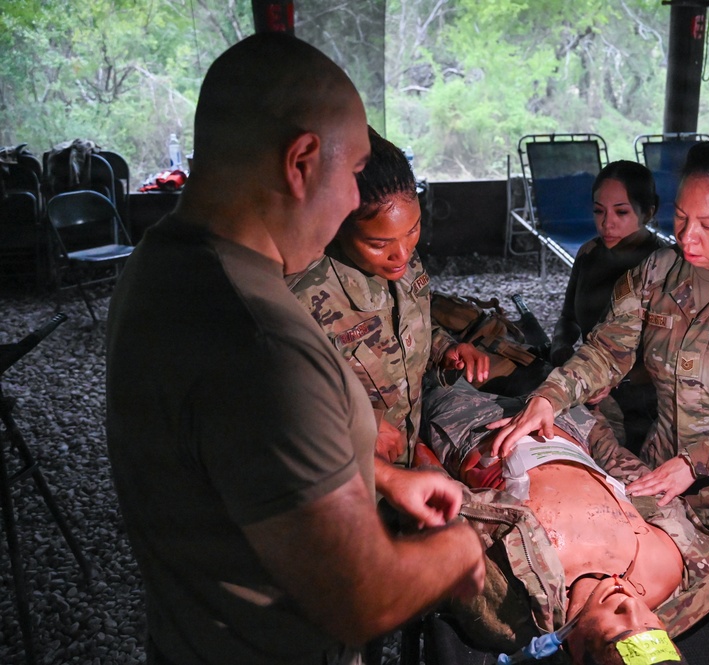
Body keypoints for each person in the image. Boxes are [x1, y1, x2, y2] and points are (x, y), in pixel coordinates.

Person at [105, 34, 484, 665]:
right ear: (301, 161)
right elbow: (359, 598)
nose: (355, 200)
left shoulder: (162, 264)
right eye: (355, 173)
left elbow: (249, 460)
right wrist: (459, 550)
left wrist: (386, 479)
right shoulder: (261, 340)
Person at [488, 132, 709, 664]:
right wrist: (550, 397)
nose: (687, 237)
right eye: (680, 217)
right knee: (647, 632)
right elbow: (606, 351)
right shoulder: (657, 273)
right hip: (665, 492)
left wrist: (698, 460)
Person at [419, 378, 709, 664]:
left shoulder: (510, 604)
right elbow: (638, 484)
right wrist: (593, 427)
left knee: (443, 372)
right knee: (532, 365)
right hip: (568, 422)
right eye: (651, 624)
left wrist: (414, 446)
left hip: (475, 428)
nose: (630, 605)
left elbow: (436, 501)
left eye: (620, 629)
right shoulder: (663, 570)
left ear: (578, 651)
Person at [288, 126, 489, 466]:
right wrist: (363, 423)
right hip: (345, 474)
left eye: (413, 230)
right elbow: (277, 400)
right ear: (337, 224)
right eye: (378, 243)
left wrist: (443, 348)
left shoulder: (403, 261)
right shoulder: (301, 296)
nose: (402, 254)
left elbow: (400, 327)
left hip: (405, 461)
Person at [550, 160, 668, 454]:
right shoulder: (589, 254)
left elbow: (670, 355)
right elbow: (568, 318)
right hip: (587, 384)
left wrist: (612, 379)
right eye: (599, 211)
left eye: (621, 212)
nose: (607, 223)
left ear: (648, 212)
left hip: (644, 403)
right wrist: (561, 348)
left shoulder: (664, 266)